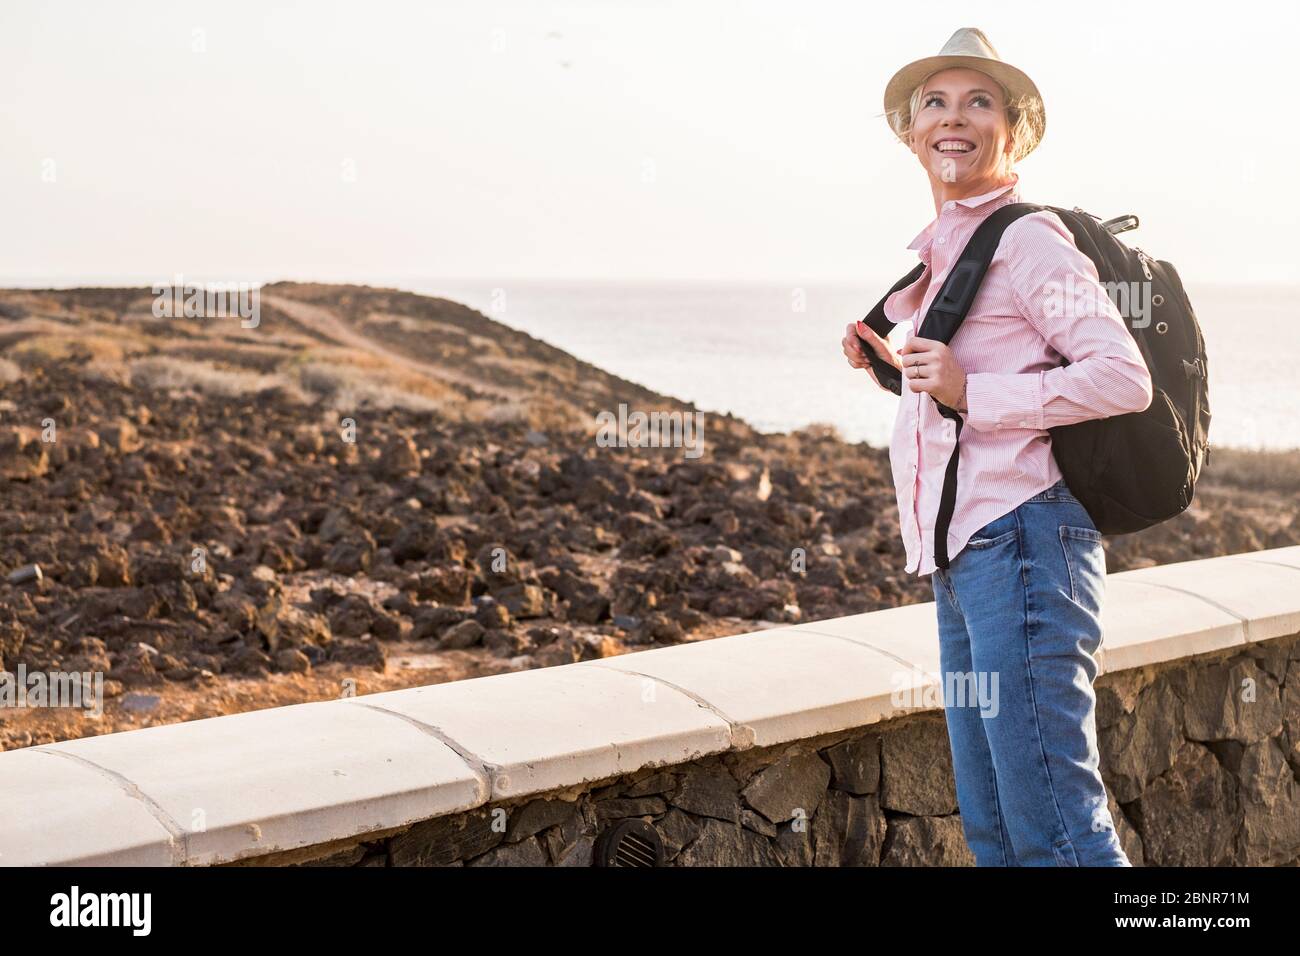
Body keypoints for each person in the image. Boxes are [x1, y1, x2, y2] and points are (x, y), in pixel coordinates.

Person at [841, 28, 1152, 866]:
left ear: (1012, 133)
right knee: (997, 835)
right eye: (935, 104)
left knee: (1056, 832)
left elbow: (1122, 377)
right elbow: (952, 400)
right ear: (912, 134)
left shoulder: (1028, 240)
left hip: (1024, 545)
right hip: (964, 557)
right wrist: (894, 368)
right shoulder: (943, 254)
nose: (953, 117)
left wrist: (971, 391)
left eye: (979, 102)